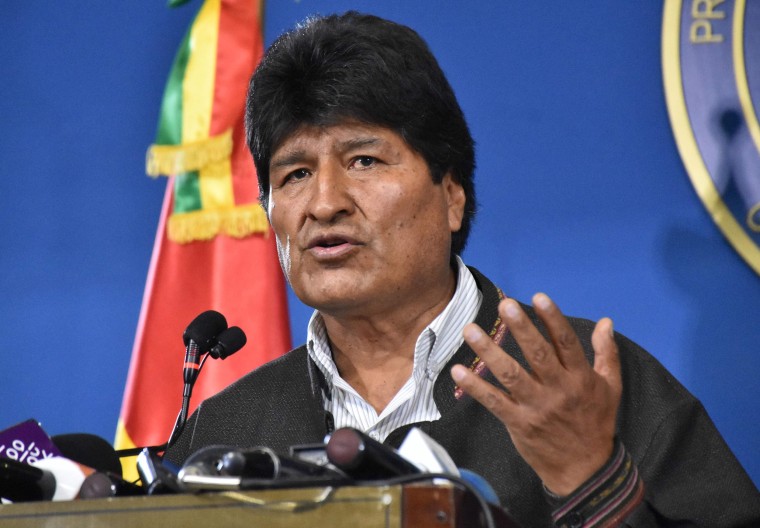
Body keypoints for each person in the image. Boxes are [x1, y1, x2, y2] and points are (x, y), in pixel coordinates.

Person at [164, 12, 760, 527]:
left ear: (452, 195)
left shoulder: (585, 384)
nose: (324, 203)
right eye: (294, 174)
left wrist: (592, 480)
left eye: (364, 160)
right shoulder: (227, 430)